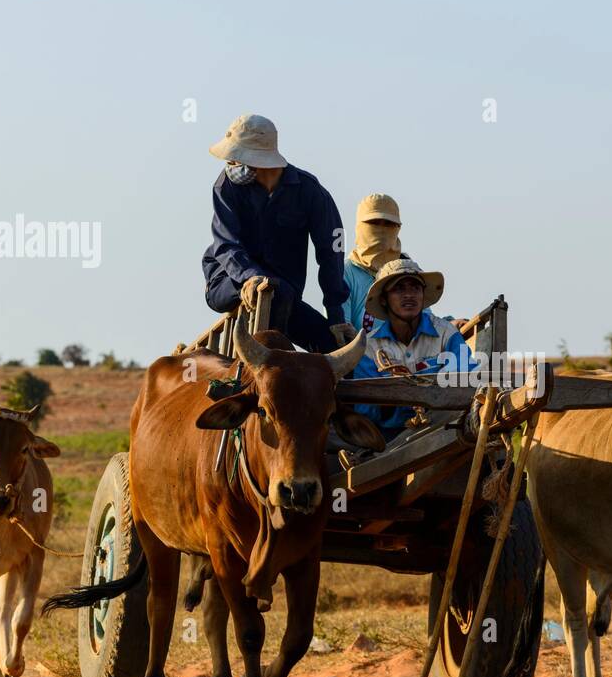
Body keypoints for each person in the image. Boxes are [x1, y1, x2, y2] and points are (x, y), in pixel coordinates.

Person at [201, 113, 354, 352]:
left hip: (285, 296)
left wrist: (336, 315)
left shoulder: (310, 192)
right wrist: (250, 277)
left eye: (235, 158)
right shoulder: (226, 186)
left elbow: (331, 251)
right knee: (274, 288)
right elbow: (226, 245)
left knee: (334, 346)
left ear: (256, 161)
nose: (230, 164)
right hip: (228, 281)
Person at [351, 257, 474, 439]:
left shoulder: (446, 334)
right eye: (399, 288)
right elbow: (367, 411)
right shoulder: (369, 347)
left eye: (415, 288)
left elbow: (463, 378)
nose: (409, 295)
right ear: (384, 300)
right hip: (390, 440)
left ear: (423, 295)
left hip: (443, 430)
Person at [343, 193, 403, 333]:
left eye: (388, 224)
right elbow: (341, 328)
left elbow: (425, 319)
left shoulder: (406, 270)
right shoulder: (345, 272)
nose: (381, 229)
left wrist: (451, 324)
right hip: (361, 353)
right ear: (360, 227)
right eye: (374, 223)